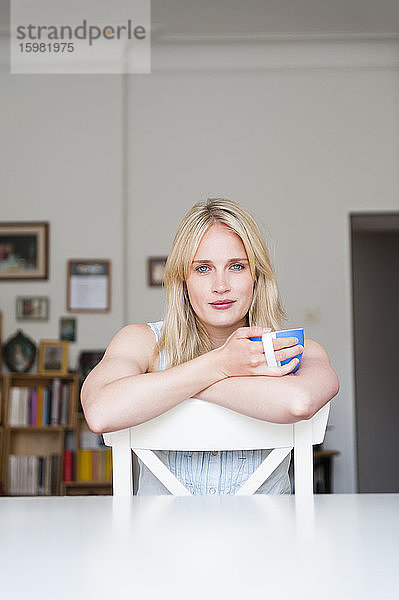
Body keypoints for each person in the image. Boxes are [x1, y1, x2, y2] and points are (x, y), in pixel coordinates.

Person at [81, 198, 339, 495]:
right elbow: (100, 412)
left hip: (266, 538)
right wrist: (219, 365)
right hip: (159, 540)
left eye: (237, 266)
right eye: (203, 268)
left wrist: (180, 384)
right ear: (183, 280)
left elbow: (299, 403)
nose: (220, 285)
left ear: (256, 276)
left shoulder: (297, 349)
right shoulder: (140, 341)